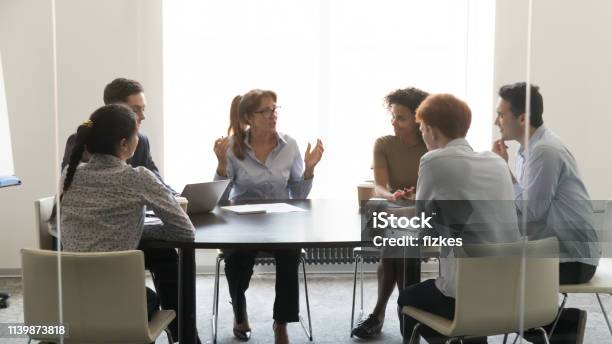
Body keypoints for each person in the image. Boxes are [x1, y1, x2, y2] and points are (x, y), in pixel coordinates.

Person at [56, 104, 197, 343]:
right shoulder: (138, 177)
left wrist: (128, 227)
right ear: (124, 144)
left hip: (70, 300)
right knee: (151, 297)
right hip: (116, 302)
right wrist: (138, 228)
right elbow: (185, 231)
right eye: (136, 136)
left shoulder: (70, 173)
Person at [397, 94, 520, 344]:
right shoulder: (496, 162)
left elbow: (423, 234)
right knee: (473, 279)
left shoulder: (433, 161)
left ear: (430, 130)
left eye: (421, 129)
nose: (422, 135)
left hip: (463, 297)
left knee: (407, 298)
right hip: (510, 291)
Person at [492, 82, 600, 344]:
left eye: (501, 114)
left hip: (573, 261)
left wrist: (503, 175)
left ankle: (561, 327)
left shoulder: (544, 151)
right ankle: (561, 327)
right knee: (489, 275)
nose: (497, 121)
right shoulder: (528, 150)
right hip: (557, 253)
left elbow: (531, 213)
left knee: (490, 279)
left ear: (522, 118)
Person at [213, 89, 324, 344]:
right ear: (249, 117)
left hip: (280, 223)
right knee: (236, 257)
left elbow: (298, 194)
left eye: (275, 109)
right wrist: (220, 166)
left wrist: (308, 170)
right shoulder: (232, 147)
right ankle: (240, 312)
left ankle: (281, 323)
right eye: (266, 111)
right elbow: (221, 198)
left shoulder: (290, 145)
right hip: (242, 223)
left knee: (290, 252)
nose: (273, 115)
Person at [351, 87, 429, 339]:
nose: (394, 123)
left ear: (418, 121)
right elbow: (380, 186)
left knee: (396, 247)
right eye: (392, 117)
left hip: (423, 213)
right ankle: (407, 314)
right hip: (393, 209)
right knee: (397, 245)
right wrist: (392, 196)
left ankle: (380, 313)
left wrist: (417, 197)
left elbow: (435, 190)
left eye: (401, 118)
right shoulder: (383, 143)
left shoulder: (431, 146)